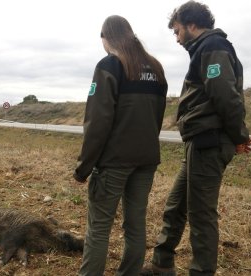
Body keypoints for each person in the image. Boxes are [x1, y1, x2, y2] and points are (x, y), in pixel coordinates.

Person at [140, 1, 251, 275]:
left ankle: (201, 271)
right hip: (198, 141)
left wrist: (239, 135)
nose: (177, 38)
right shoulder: (204, 49)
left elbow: (226, 97)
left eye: (177, 30)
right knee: (176, 205)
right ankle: (161, 264)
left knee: (201, 215)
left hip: (209, 141)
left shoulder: (214, 47)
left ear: (192, 24)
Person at [73, 15, 168, 276]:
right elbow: (157, 118)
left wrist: (83, 168)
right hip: (146, 160)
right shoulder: (157, 68)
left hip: (114, 162)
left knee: (99, 227)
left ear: (106, 37)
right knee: (136, 224)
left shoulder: (109, 65)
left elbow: (97, 122)